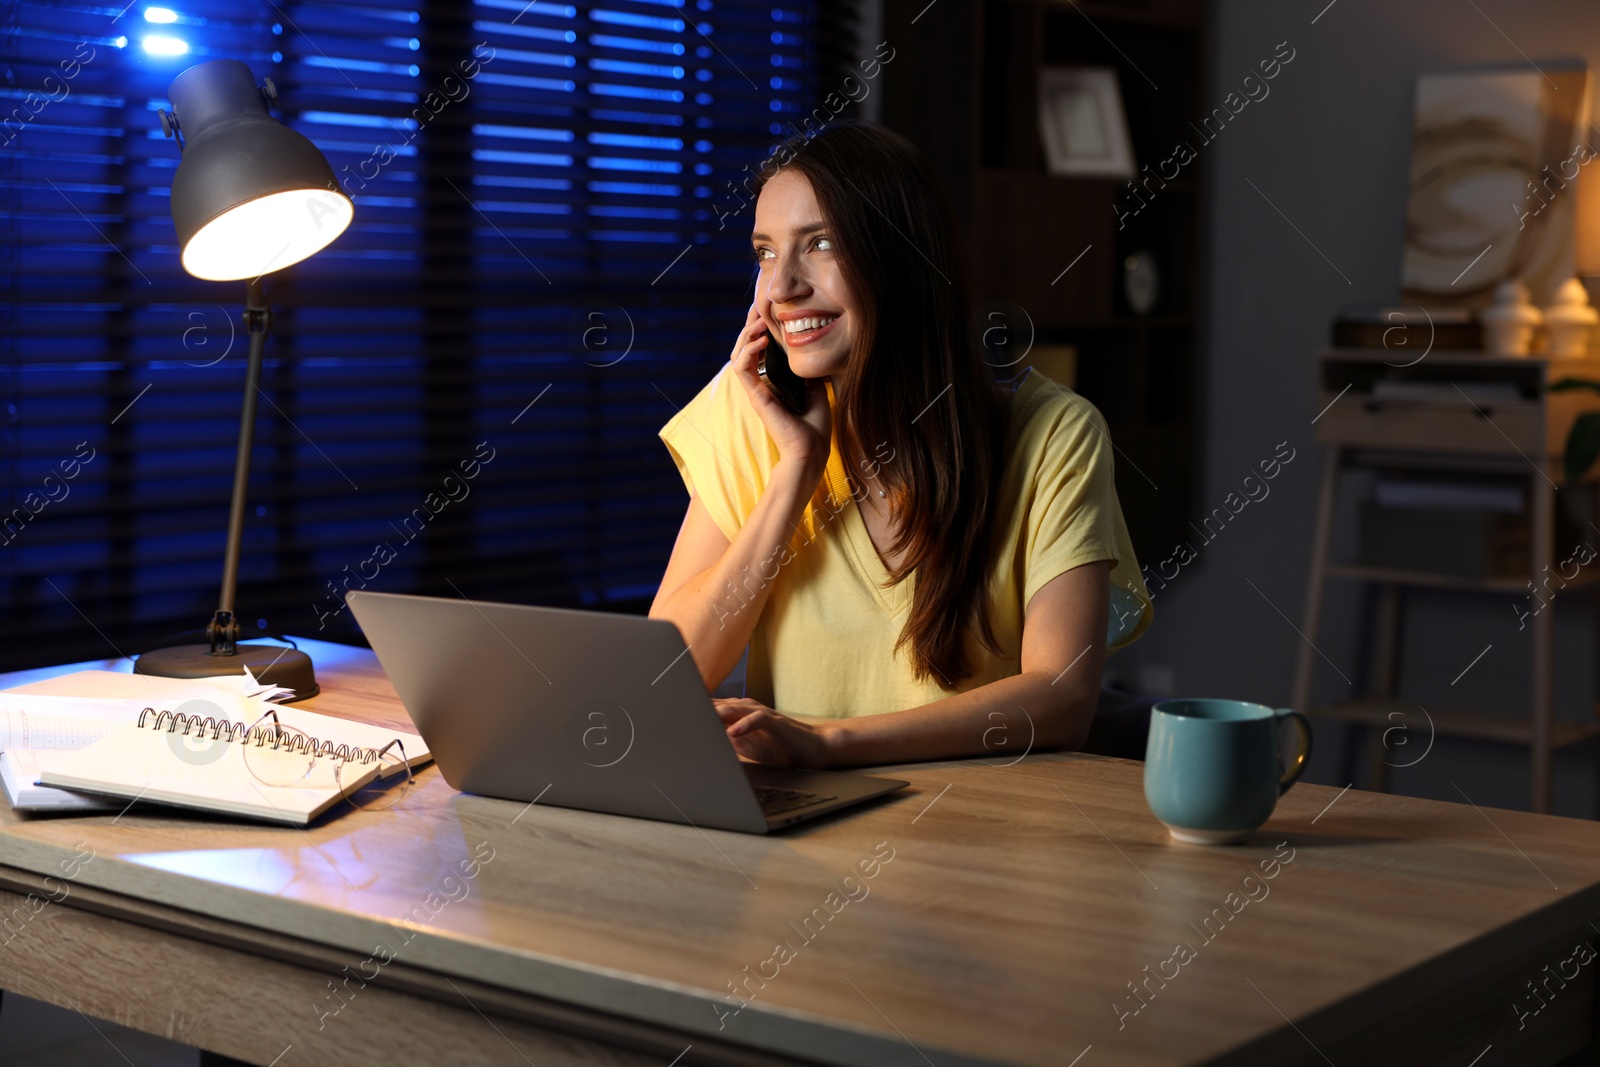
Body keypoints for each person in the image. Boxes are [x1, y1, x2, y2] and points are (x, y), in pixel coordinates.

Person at [651, 119, 1151, 768]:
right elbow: (669, 676)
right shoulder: (754, 416)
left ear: (904, 258)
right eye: (766, 252)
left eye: (820, 244)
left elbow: (1062, 697)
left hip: (975, 841)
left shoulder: (1055, 434)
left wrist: (833, 742)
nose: (780, 288)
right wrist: (795, 471)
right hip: (795, 844)